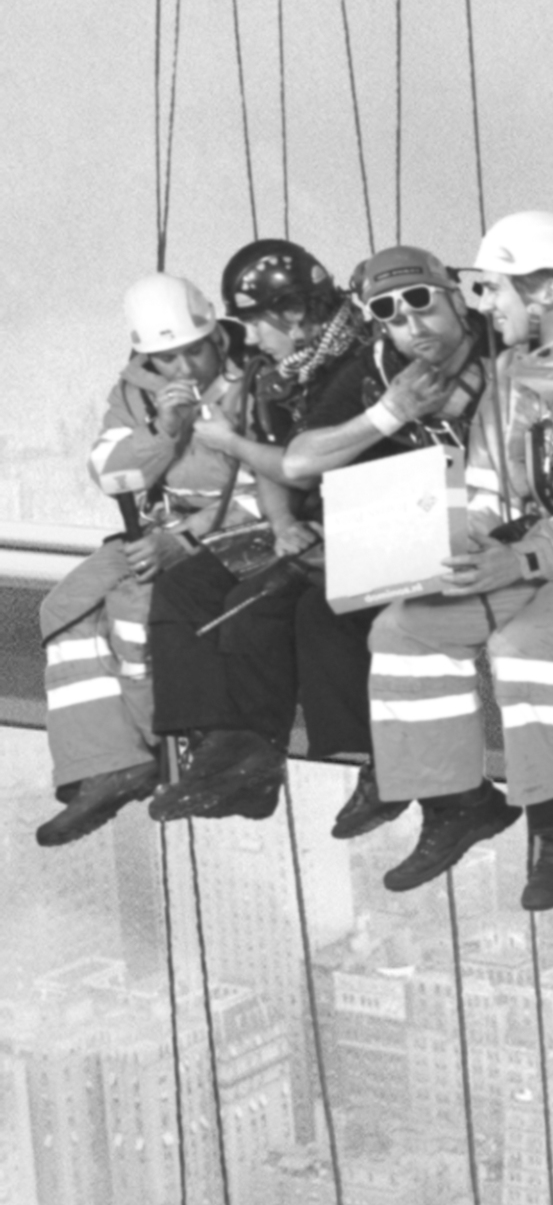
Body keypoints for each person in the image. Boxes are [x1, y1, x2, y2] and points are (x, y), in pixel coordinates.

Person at [363, 211, 553, 906]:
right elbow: (485, 484)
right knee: (402, 628)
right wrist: (463, 543)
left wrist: (517, 563)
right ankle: (455, 803)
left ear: (543, 290)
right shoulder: (511, 371)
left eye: (495, 290)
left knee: (523, 647)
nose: (485, 306)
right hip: (524, 558)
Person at [147, 239, 391, 833]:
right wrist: (281, 525)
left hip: (370, 521)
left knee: (257, 609)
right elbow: (273, 462)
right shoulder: (282, 370)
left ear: (293, 313)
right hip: (307, 519)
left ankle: (279, 755)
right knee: (184, 589)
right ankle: (224, 750)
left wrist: (228, 444)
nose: (250, 339)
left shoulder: (359, 364)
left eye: (257, 324)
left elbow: (296, 462)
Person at [36, 274, 258, 846]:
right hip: (163, 530)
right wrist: (163, 430)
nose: (184, 368)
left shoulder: (257, 382)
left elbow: (281, 488)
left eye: (194, 350)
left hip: (238, 531)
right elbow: (110, 473)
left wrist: (187, 539)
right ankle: (106, 759)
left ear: (218, 338)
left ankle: (156, 748)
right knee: (65, 604)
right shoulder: (137, 392)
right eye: (167, 357)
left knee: (135, 611)